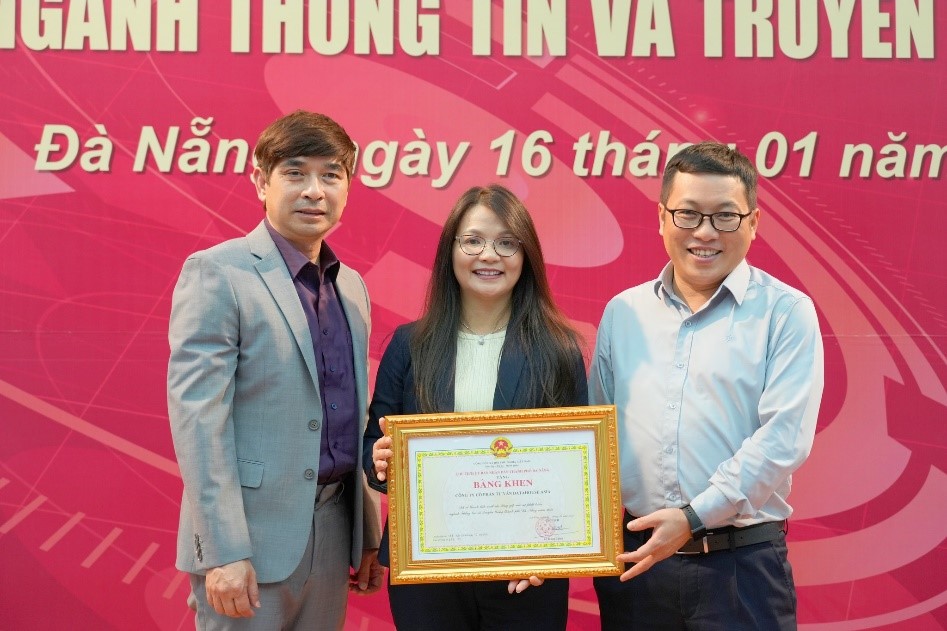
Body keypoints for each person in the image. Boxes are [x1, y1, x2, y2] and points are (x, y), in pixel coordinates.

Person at [589, 141, 824, 630]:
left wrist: (693, 518)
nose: (704, 233)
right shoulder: (623, 313)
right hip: (638, 568)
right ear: (661, 218)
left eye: (725, 217)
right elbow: (596, 437)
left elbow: (784, 440)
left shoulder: (785, 313)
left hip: (741, 571)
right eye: (688, 214)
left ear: (753, 223)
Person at [167, 110, 382, 630]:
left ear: (348, 187)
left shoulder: (350, 286)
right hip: (248, 542)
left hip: (333, 534)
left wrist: (368, 532)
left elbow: (349, 415)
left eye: (331, 175)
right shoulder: (218, 272)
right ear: (261, 181)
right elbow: (199, 420)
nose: (314, 190)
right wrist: (223, 551)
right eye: (295, 173)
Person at [364, 184, 588, 631]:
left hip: (524, 572)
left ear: (526, 257)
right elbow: (376, 448)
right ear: (451, 251)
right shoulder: (410, 345)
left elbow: (575, 466)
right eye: (473, 241)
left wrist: (550, 552)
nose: (490, 255)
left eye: (507, 243)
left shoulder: (558, 349)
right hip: (429, 566)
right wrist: (381, 460)